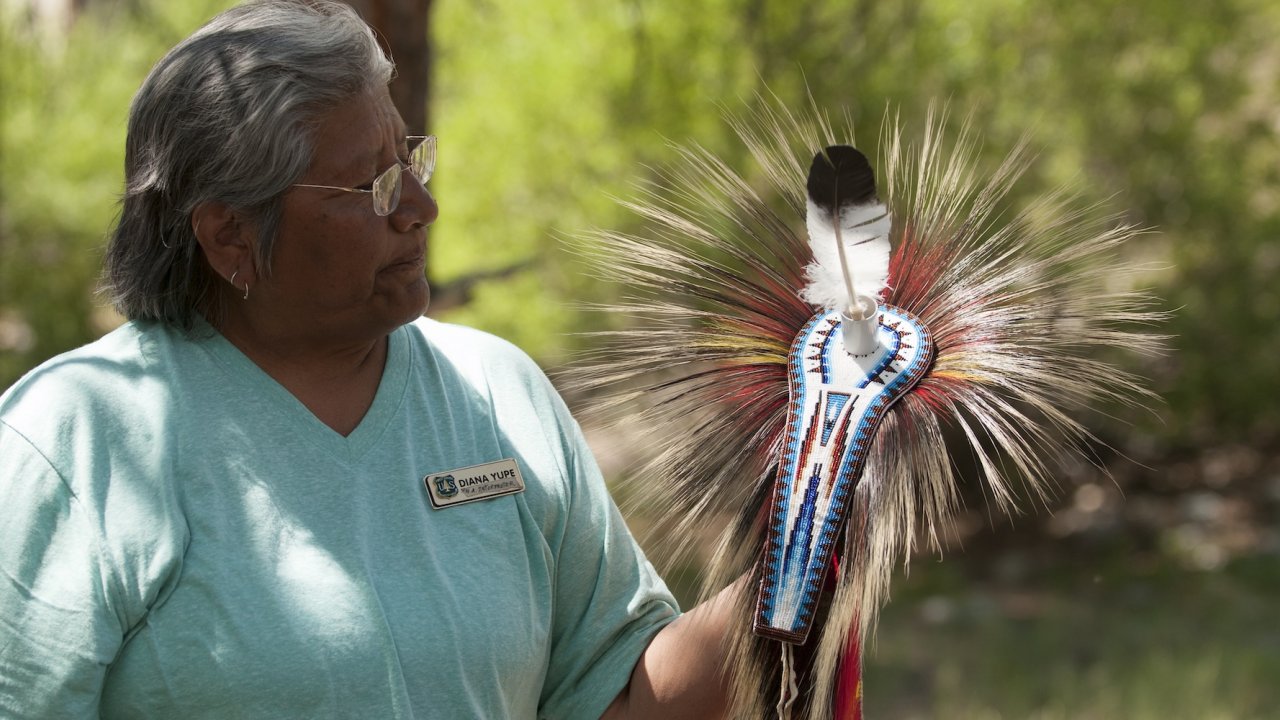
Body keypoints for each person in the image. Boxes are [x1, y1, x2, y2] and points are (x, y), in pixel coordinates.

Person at [0, 1, 734, 717]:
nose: (420, 206)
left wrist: (819, 541)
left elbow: (621, 693)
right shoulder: (79, 442)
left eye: (412, 159)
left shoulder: (496, 392)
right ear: (230, 237)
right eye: (370, 185)